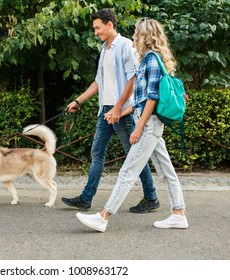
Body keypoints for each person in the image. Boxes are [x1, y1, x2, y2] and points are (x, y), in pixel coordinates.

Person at [75, 18, 189, 232]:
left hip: (149, 126)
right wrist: (117, 112)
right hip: (151, 125)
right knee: (167, 171)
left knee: (127, 172)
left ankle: (103, 216)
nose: (134, 37)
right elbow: (140, 101)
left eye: (137, 33)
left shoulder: (152, 60)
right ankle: (178, 213)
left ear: (146, 36)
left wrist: (138, 128)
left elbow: (152, 98)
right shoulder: (147, 60)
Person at [61, 9, 159, 213]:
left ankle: (151, 197)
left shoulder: (125, 46)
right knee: (97, 152)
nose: (96, 32)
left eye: (98, 28)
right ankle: (86, 199)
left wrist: (117, 108)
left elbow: (133, 79)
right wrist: (77, 101)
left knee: (133, 155)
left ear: (110, 25)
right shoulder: (105, 49)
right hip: (105, 111)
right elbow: (99, 81)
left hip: (121, 112)